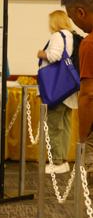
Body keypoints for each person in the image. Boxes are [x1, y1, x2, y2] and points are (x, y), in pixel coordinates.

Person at [37, 10, 78, 174]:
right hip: (68, 90)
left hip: (56, 89)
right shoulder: (71, 35)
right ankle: (63, 161)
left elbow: (54, 56)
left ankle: (57, 162)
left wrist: (41, 53)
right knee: (65, 126)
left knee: (54, 126)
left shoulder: (57, 36)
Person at [61, 0, 93, 177]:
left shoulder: (89, 44)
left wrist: (82, 138)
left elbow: (89, 94)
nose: (75, 24)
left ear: (80, 12)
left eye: (72, 19)